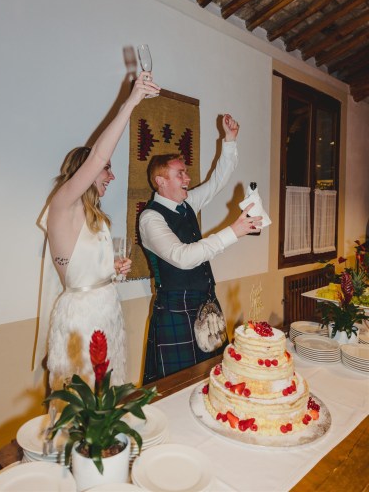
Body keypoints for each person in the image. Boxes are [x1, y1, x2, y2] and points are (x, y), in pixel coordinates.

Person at [34, 72, 160, 391]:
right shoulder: (63, 203)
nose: (111, 176)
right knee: (79, 396)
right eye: (107, 170)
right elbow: (99, 154)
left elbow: (82, 268)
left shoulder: (96, 218)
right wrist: (131, 101)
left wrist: (112, 270)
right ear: (85, 171)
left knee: (108, 393)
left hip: (107, 309)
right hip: (81, 317)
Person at [139, 114, 262, 383]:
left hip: (205, 301)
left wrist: (229, 141)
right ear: (161, 181)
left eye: (185, 171)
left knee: (214, 376)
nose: (187, 177)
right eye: (179, 173)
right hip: (176, 309)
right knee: (176, 384)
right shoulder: (150, 218)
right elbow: (182, 257)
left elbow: (217, 182)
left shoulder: (186, 204)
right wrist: (234, 231)